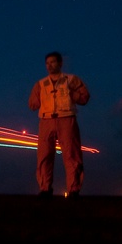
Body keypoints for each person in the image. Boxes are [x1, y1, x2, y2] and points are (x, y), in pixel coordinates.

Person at [28, 51, 90, 197]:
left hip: (67, 119)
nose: (49, 66)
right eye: (47, 63)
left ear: (60, 63)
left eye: (53, 62)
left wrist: (72, 95)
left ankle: (74, 189)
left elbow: (85, 97)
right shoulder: (41, 84)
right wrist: (41, 100)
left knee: (72, 155)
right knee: (44, 156)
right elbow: (32, 104)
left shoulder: (71, 79)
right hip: (46, 121)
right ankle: (45, 188)